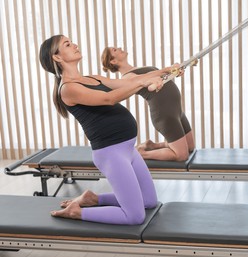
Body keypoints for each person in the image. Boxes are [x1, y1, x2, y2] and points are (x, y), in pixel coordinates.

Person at [39, 35, 173, 225]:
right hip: (111, 153)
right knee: (135, 217)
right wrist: (141, 84)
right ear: (57, 58)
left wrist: (165, 71)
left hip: (128, 149)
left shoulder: (92, 78)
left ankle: (93, 199)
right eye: (67, 45)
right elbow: (108, 99)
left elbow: (128, 83)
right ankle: (77, 213)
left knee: (150, 202)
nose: (75, 44)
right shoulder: (68, 89)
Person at [101, 47, 195, 161]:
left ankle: (152, 146)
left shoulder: (138, 69)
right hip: (165, 115)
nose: (119, 48)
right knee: (181, 155)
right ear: (113, 61)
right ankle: (141, 153)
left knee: (190, 147)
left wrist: (176, 70)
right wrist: (168, 69)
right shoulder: (127, 78)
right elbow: (149, 77)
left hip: (177, 111)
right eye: (115, 50)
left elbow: (162, 77)